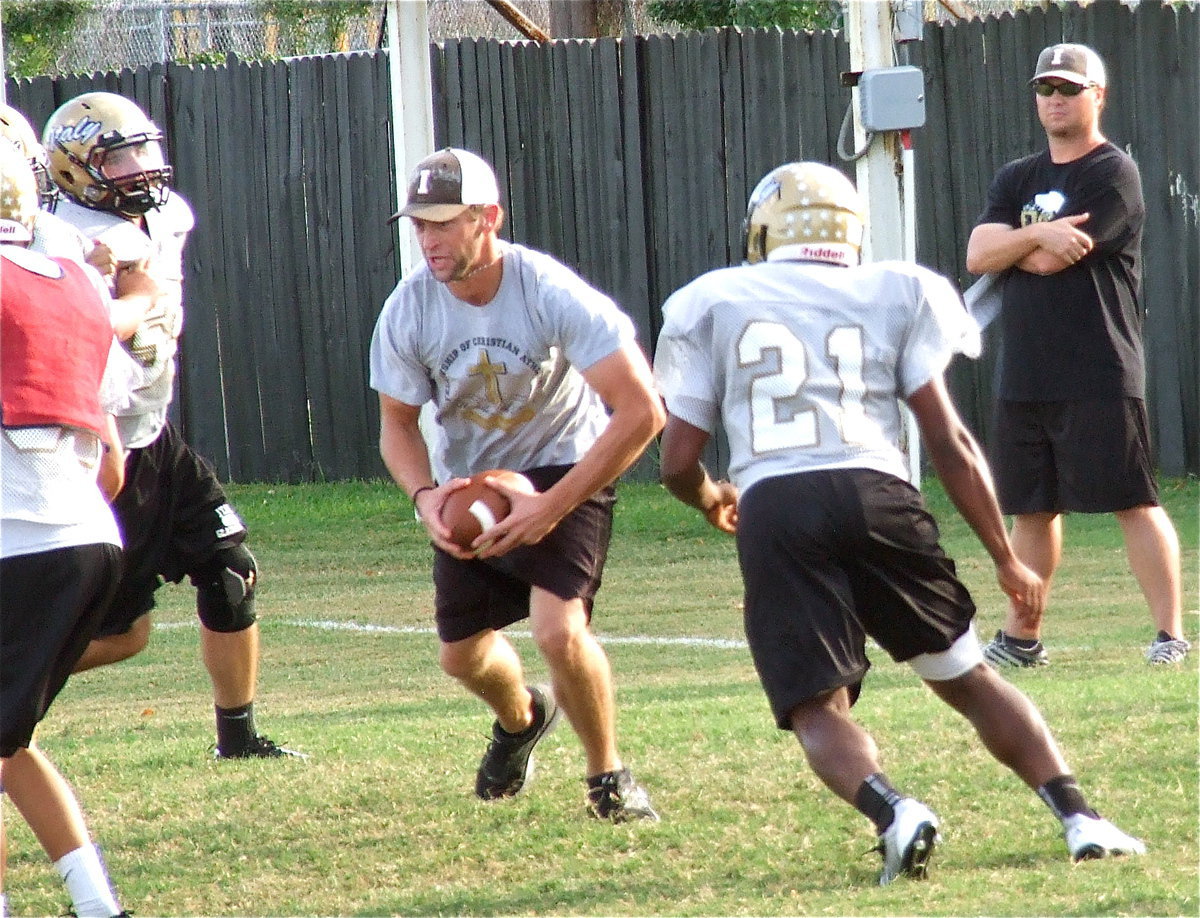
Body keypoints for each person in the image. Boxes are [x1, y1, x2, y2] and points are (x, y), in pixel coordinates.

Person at [654, 161, 1146, 883]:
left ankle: (895, 811)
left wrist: (708, 497)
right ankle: (1080, 818)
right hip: (880, 494)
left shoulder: (713, 299)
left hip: (779, 502)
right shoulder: (897, 289)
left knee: (815, 706)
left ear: (764, 232)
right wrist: (1006, 559)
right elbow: (949, 441)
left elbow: (675, 461)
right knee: (969, 678)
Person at [369, 147, 665, 820]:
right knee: (460, 656)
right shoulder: (409, 307)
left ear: (488, 218)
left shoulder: (546, 290)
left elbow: (643, 410)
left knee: (558, 632)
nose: (428, 240)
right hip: (469, 480)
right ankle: (521, 719)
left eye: (444, 223)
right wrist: (426, 498)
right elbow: (397, 424)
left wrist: (553, 506)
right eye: (419, 224)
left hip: (566, 466)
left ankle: (608, 778)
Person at [40, 91, 303, 758]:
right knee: (122, 635)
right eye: (119, 156)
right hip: (97, 442)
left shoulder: (166, 216)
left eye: (142, 150)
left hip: (154, 431)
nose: (139, 168)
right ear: (73, 167)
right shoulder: (65, 237)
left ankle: (238, 738)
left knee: (229, 568)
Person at [964, 44, 1188, 667]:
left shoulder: (1112, 172)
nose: (1055, 98)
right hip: (1026, 372)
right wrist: (1035, 232)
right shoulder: (1017, 177)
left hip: (1099, 368)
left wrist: (1023, 243)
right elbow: (981, 255)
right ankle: (1021, 639)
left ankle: (1170, 636)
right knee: (1031, 510)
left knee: (1133, 500)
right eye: (1045, 88)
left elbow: (1059, 255)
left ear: (1098, 96)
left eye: (1068, 87)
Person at [0, 145, 144, 918]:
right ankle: (96, 905)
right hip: (90, 540)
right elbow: (113, 466)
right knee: (6, 744)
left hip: (15, 541)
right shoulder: (76, 288)